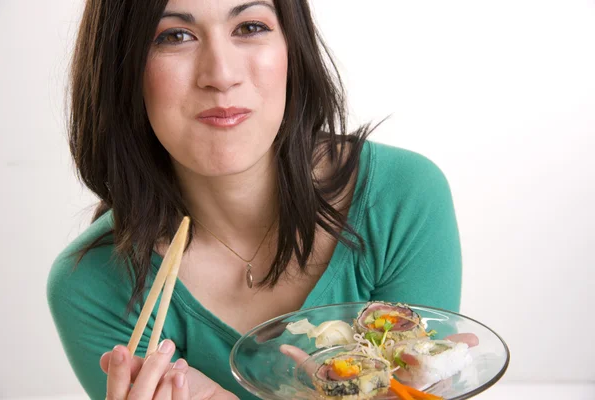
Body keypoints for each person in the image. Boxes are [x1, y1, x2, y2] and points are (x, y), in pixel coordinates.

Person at [47, 0, 462, 398]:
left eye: (250, 27)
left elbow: (421, 385)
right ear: (121, 67)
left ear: (292, 48)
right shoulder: (92, 286)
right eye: (174, 35)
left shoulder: (401, 199)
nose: (221, 74)